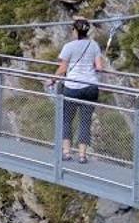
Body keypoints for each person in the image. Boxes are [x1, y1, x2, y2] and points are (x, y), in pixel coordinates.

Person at [47, 17, 109, 162]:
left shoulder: (69, 46)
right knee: (85, 121)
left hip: (72, 87)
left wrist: (52, 80)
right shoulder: (94, 45)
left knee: (67, 120)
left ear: (75, 31)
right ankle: (82, 155)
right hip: (90, 87)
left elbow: (62, 68)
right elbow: (99, 67)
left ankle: (67, 152)